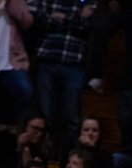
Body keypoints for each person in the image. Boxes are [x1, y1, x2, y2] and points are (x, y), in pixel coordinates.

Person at [33, 0, 93, 149]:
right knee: (45, 114)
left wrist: (57, 18)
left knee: (71, 117)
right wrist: (75, 18)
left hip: (74, 61)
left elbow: (86, 25)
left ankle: (67, 156)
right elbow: (38, 21)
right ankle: (44, 154)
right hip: (47, 58)